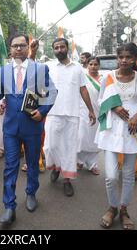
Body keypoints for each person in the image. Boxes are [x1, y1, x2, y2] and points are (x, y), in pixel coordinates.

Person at [0, 34, 57, 225]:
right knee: (10, 167)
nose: (18, 49)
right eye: (14, 46)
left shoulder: (40, 69)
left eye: (22, 45)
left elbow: (51, 92)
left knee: (32, 164)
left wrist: (42, 111)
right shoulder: (3, 71)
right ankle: (9, 206)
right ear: (10, 49)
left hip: (33, 125)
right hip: (11, 127)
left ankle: (31, 193)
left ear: (29, 47)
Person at [96, 43, 137, 230]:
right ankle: (112, 207)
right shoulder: (108, 77)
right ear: (117, 58)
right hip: (112, 130)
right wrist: (115, 106)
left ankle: (124, 210)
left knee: (128, 175)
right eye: (121, 57)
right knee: (111, 176)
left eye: (128, 57)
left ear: (135, 58)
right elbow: (100, 99)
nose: (124, 60)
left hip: (132, 130)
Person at [44, 38, 96, 197]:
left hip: (72, 114)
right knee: (50, 146)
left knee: (69, 148)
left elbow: (83, 90)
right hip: (52, 112)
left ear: (67, 48)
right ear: (53, 50)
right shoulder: (49, 67)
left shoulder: (78, 68)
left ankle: (67, 179)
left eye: (62, 47)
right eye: (56, 48)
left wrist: (90, 110)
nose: (59, 50)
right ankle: (55, 167)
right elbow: (40, 86)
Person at [77, 56, 102, 175]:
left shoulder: (103, 79)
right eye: (90, 64)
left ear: (99, 66)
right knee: (82, 137)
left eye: (95, 64)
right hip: (83, 110)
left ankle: (92, 164)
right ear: (87, 65)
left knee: (94, 139)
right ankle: (80, 160)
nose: (93, 67)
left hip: (99, 111)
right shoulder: (83, 77)